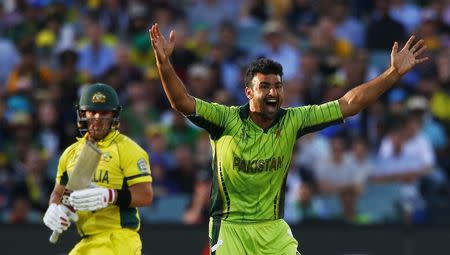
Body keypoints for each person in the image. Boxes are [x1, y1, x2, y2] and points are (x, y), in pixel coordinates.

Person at [149, 22, 428, 254]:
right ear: (249, 92)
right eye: (265, 87)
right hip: (230, 227)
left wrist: (392, 74)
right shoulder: (225, 119)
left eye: (278, 86)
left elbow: (349, 103)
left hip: (273, 228)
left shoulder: (293, 120)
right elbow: (182, 102)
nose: (273, 93)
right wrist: (163, 62)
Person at [43, 83, 153, 255]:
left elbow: (145, 195)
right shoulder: (70, 154)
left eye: (104, 113)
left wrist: (110, 195)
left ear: (114, 115)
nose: (97, 118)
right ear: (82, 114)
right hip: (87, 240)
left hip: (118, 238)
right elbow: (60, 192)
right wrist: (53, 208)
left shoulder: (128, 149)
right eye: (92, 112)